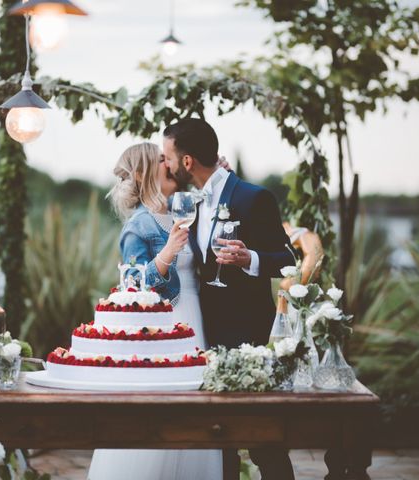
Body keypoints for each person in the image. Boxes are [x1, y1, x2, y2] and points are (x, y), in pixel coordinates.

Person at [162, 118, 296, 480]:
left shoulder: (254, 197)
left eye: (169, 157)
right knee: (218, 444)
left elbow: (288, 261)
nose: (167, 165)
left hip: (248, 339)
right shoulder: (187, 203)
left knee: (265, 442)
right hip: (207, 337)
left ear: (187, 161)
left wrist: (249, 258)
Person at [87, 142, 222, 480]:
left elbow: (215, 200)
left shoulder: (183, 208)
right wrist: (167, 254)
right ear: (145, 173)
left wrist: (220, 173)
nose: (170, 165)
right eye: (163, 160)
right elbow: (130, 287)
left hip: (197, 320)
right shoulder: (139, 226)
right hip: (162, 328)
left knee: (197, 409)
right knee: (161, 416)